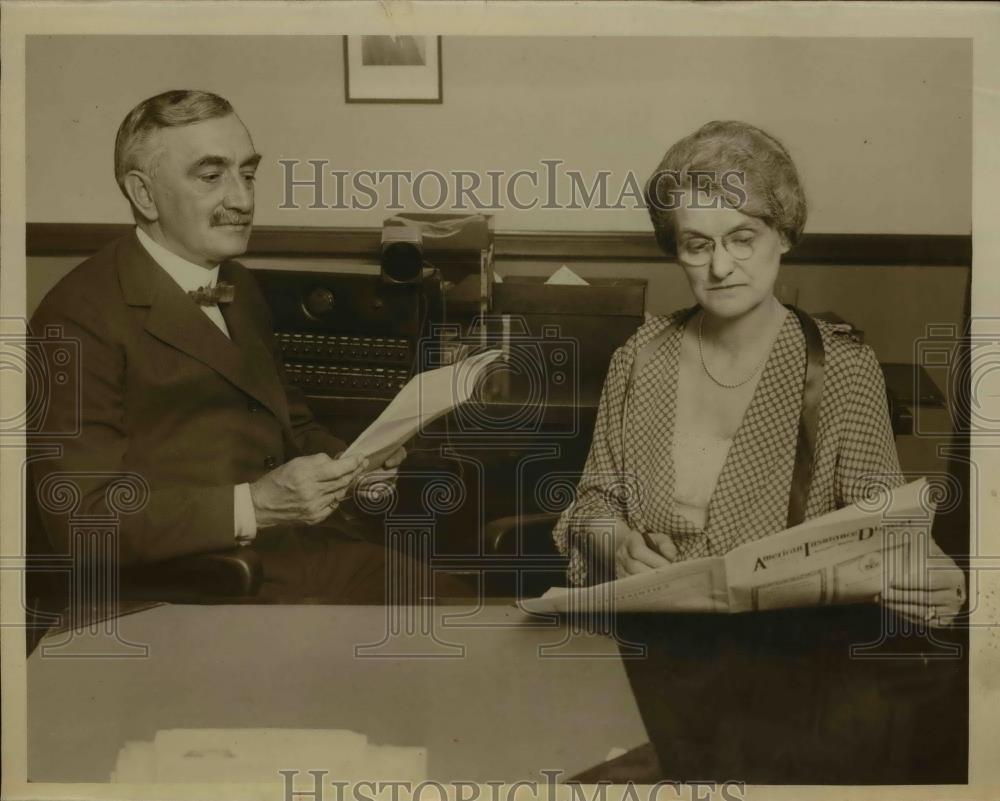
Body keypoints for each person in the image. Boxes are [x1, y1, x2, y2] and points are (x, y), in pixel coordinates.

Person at [550, 121, 968, 782]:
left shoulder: (842, 368)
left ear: (784, 235)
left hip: (789, 683)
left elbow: (887, 530)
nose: (719, 266)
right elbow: (596, 497)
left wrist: (935, 580)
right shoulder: (639, 359)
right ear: (675, 248)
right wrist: (612, 539)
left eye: (743, 238)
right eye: (696, 244)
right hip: (650, 661)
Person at [29, 90, 408, 604]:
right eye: (212, 177)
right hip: (194, 590)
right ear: (144, 194)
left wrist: (356, 465)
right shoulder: (76, 316)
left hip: (304, 556)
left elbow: (291, 425)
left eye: (247, 174)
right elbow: (82, 522)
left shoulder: (239, 285)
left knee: (482, 624)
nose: (244, 200)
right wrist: (256, 504)